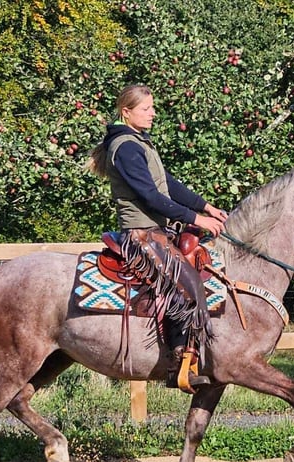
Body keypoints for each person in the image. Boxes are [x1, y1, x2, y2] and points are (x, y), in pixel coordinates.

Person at [86, 84, 228, 393]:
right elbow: (150, 197)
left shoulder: (139, 142)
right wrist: (196, 219)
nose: (153, 113)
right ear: (127, 112)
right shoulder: (125, 146)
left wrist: (205, 206)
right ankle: (179, 363)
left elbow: (167, 185)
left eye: (152, 108)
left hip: (157, 231)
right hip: (141, 233)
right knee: (187, 284)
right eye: (146, 109)